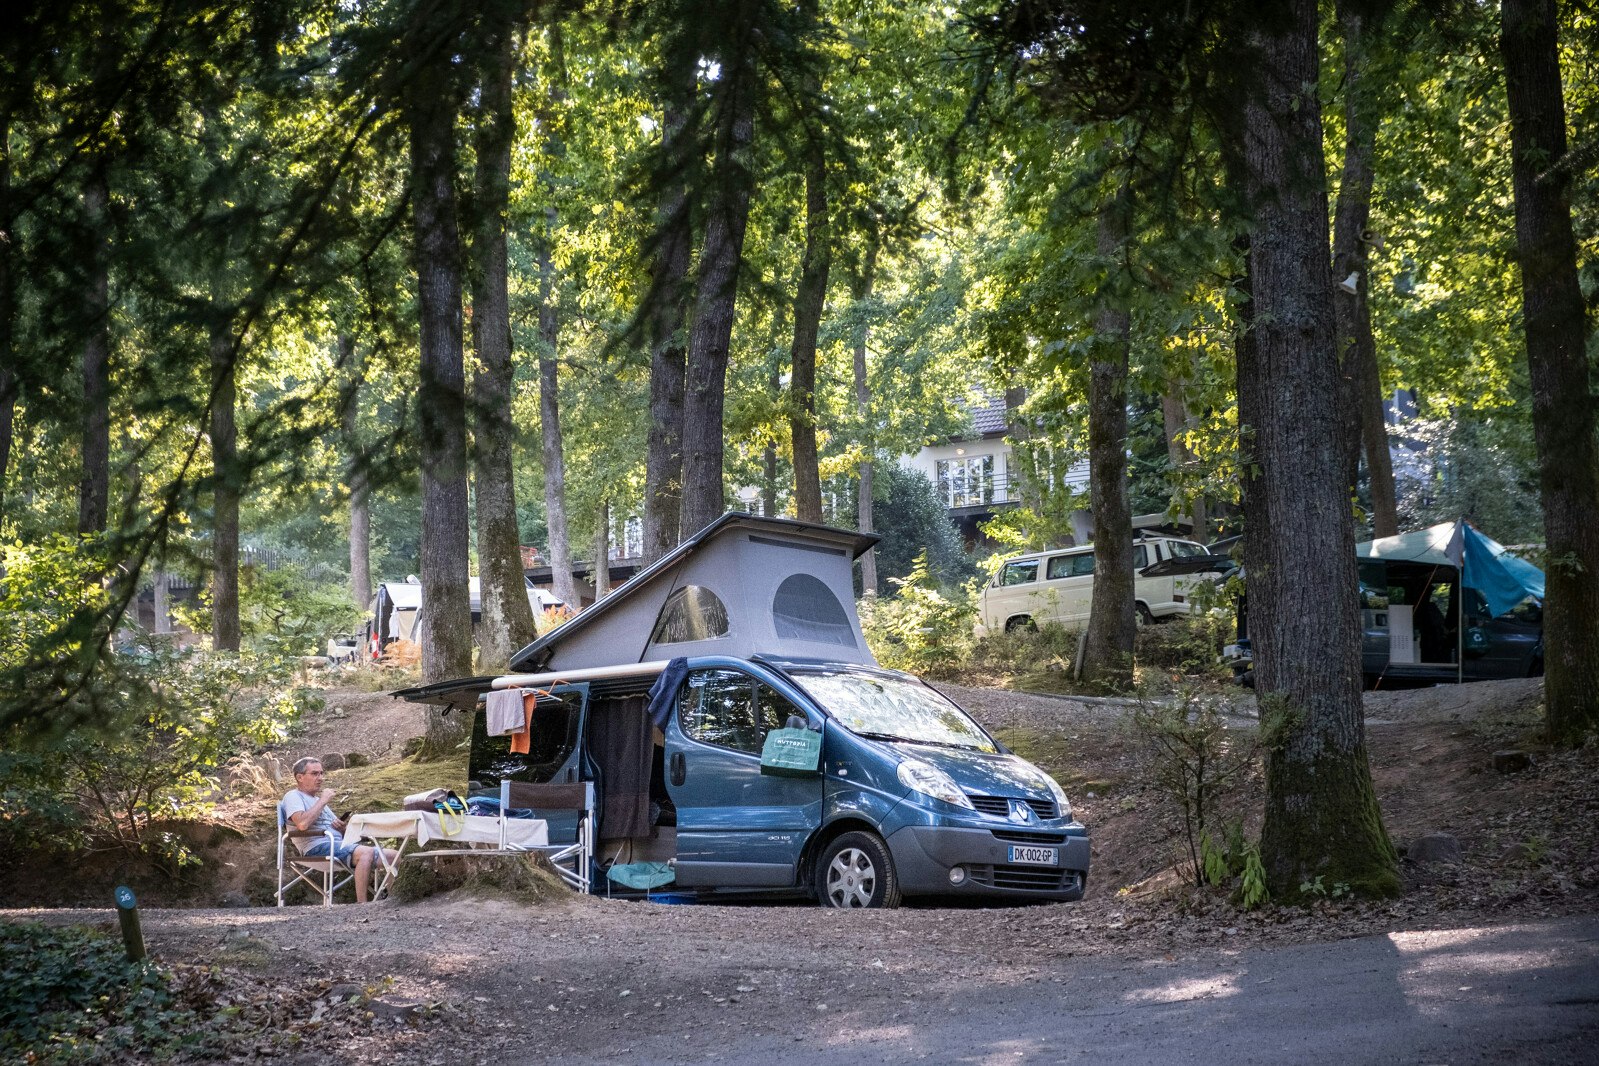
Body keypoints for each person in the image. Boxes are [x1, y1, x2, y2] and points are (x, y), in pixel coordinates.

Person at [282, 757, 396, 903]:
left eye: (321, 773)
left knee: (394, 856)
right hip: (316, 847)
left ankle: (389, 898)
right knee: (365, 853)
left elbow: (342, 833)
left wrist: (342, 828)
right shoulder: (293, 796)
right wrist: (323, 800)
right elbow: (302, 824)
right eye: (315, 774)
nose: (320, 778)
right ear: (300, 777)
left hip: (338, 844)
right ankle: (362, 905)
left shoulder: (316, 800)